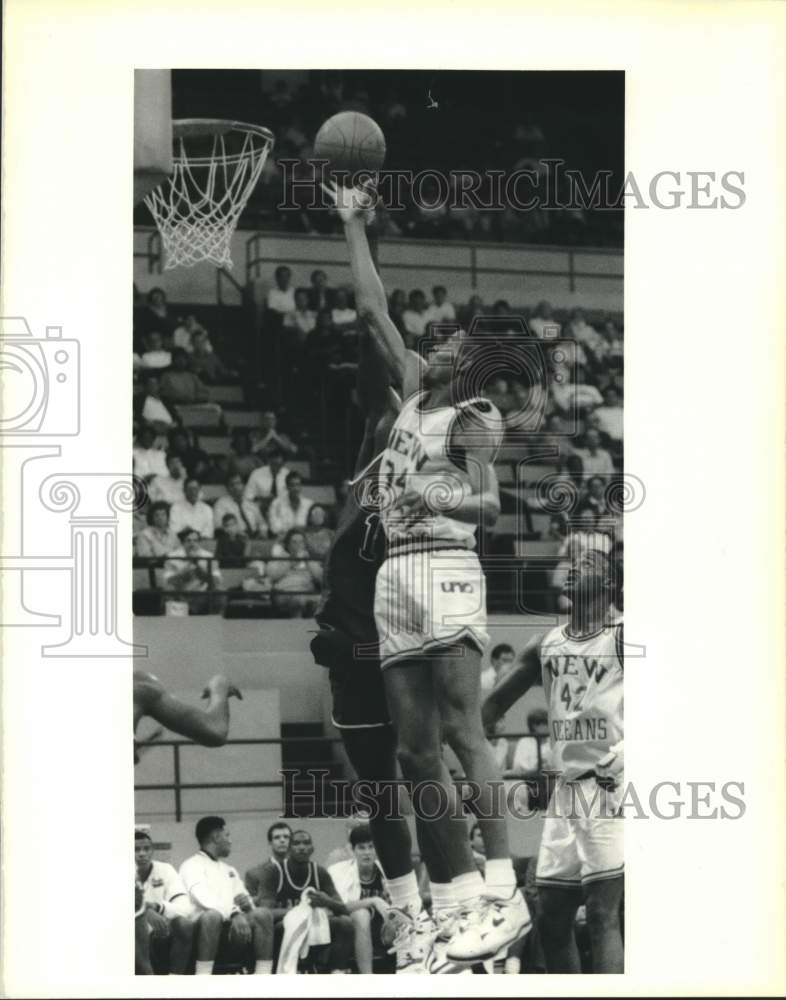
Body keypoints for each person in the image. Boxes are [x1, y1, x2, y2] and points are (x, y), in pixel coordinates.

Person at [326, 180, 531, 966]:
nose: (440, 342)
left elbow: (487, 504)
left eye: (455, 344)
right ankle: (455, 905)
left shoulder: (474, 419)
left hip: (446, 565)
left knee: (460, 728)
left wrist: (428, 487)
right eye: (439, 340)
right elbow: (373, 308)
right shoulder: (412, 387)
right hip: (394, 581)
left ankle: (504, 888)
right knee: (414, 754)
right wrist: (353, 225)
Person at [482, 544, 624, 973]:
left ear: (609, 583)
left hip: (609, 784)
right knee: (552, 918)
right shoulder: (546, 642)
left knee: (601, 914)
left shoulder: (626, 636)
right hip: (565, 792)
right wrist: (464, 735)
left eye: (589, 564)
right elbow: (491, 707)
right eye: (573, 562)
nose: (574, 567)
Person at [179, 816, 274, 976]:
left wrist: (246, 904)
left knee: (263, 914)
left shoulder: (229, 869)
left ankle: (263, 976)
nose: (230, 841)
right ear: (216, 837)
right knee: (212, 916)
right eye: (227, 835)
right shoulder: (191, 865)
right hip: (202, 931)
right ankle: (203, 976)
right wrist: (234, 913)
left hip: (232, 928)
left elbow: (244, 898)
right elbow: (203, 898)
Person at [249, 829, 354, 974]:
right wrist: (301, 912)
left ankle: (336, 970)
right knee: (288, 925)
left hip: (314, 929)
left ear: (312, 849)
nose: (302, 847)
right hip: (284, 930)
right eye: (296, 843)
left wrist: (327, 902)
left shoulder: (320, 872)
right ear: (289, 848)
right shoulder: (274, 872)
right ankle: (287, 970)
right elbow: (266, 913)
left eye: (306, 843)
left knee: (345, 923)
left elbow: (344, 909)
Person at [133, 672, 241, 759]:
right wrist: (219, 689)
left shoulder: (139, 688)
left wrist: (219, 689)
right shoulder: (139, 687)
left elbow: (215, 730)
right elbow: (216, 730)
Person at [329, 825, 391, 974]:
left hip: (386, 931)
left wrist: (390, 899)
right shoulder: (339, 871)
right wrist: (373, 900)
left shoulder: (387, 871)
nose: (367, 853)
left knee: (400, 914)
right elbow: (337, 907)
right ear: (352, 850)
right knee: (361, 914)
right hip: (354, 933)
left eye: (371, 847)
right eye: (362, 848)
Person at [135, 829, 196, 975]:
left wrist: (158, 907)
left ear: (152, 851)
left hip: (161, 934)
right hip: (132, 936)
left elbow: (186, 908)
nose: (142, 853)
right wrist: (145, 911)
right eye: (136, 849)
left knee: (184, 924)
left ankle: (174, 981)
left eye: (146, 849)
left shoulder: (166, 870)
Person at [267, 528, 322, 617]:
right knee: (298, 601)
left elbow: (320, 578)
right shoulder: (280, 557)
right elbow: (272, 575)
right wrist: (291, 561)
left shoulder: (310, 559)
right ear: (288, 544)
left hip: (306, 592)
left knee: (321, 601)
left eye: (301, 542)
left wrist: (308, 560)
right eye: (294, 542)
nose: (298, 545)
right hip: (284, 593)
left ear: (305, 544)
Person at [163, 528, 222, 610]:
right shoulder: (172, 557)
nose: (192, 543)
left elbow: (216, 581)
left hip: (203, 595)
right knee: (168, 590)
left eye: (195, 540)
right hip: (180, 594)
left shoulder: (209, 557)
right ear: (182, 543)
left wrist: (197, 566)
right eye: (188, 540)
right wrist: (184, 573)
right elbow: (168, 581)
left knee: (220, 591)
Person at [245, 822, 293, 902]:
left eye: (286, 837)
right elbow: (250, 906)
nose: (282, 840)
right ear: (270, 842)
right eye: (277, 837)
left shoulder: (304, 870)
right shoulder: (254, 874)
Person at [213, 473, 267, 539]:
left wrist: (263, 532)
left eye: (238, 483)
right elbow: (219, 526)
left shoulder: (251, 504)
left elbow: (262, 523)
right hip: (234, 538)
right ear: (227, 488)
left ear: (243, 485)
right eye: (232, 485)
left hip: (254, 537)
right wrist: (237, 533)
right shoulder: (221, 504)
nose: (235, 487)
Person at [267, 471, 313, 537]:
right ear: (287, 487)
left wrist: (288, 528)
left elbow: (313, 528)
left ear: (301, 486)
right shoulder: (276, 504)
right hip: (283, 541)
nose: (295, 488)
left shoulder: (309, 504)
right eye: (292, 485)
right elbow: (275, 528)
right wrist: (298, 528)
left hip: (304, 541)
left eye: (298, 485)